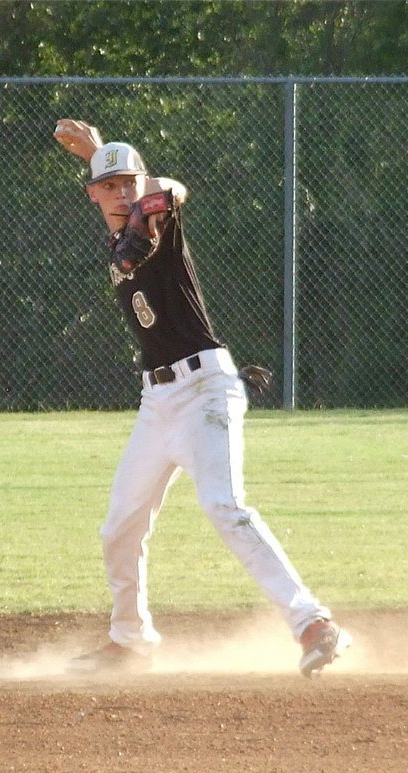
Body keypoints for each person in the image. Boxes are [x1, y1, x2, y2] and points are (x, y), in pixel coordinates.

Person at [53, 119, 351, 678]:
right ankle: (130, 641)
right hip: (156, 403)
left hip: (205, 390)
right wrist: (99, 154)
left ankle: (314, 623)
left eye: (129, 183)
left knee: (224, 506)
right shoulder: (118, 240)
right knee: (120, 526)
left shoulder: (157, 226)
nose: (122, 192)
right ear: (92, 192)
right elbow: (120, 188)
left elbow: (169, 189)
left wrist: (145, 194)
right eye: (109, 185)